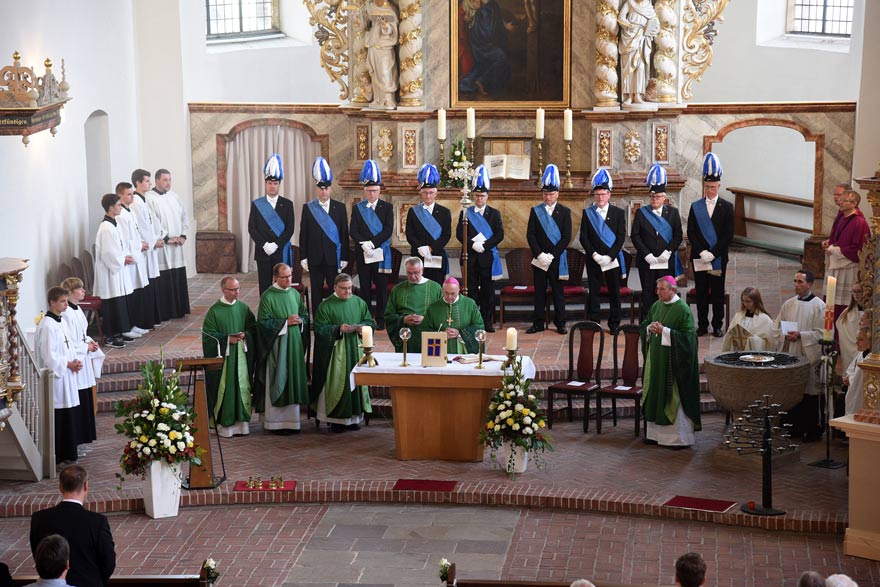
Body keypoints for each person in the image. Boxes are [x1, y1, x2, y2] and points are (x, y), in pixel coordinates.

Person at [30, 465, 116, 587]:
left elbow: (38, 554)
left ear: (60, 487)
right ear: (86, 486)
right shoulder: (97, 522)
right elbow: (108, 563)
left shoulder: (40, 518)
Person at [641, 276, 701, 448]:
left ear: (673, 290)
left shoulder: (682, 309)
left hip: (674, 364)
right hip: (657, 359)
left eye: (662, 289)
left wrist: (665, 331)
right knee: (655, 392)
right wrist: (649, 328)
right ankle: (654, 435)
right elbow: (646, 323)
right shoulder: (656, 305)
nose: (657, 292)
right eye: (657, 288)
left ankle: (677, 439)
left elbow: (688, 338)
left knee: (672, 395)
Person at [312, 274, 375, 433]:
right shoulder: (326, 306)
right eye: (344, 289)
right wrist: (338, 329)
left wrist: (363, 328)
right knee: (338, 383)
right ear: (335, 288)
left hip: (356, 349)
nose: (348, 292)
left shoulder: (359, 302)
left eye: (350, 288)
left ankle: (354, 418)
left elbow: (369, 321)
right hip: (336, 353)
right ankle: (336, 420)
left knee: (356, 382)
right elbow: (319, 329)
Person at [254, 264, 310, 434]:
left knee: (292, 378)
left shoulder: (294, 293)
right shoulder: (268, 296)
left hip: (294, 344)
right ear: (275, 278)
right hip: (277, 346)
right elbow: (263, 324)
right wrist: (285, 322)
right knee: (279, 376)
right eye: (285, 277)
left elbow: (305, 315)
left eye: (290, 276)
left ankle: (293, 422)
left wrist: (300, 321)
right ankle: (275, 423)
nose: (289, 279)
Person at [773, 270, 826, 442]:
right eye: (795, 281)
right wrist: (784, 335)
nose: (796, 285)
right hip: (791, 353)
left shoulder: (819, 306)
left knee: (810, 393)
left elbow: (822, 333)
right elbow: (776, 328)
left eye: (800, 282)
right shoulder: (789, 304)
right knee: (793, 392)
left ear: (810, 284)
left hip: (808, 356)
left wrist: (801, 335)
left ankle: (813, 430)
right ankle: (794, 428)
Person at [202, 276, 256, 438]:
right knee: (225, 389)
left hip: (240, 357)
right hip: (224, 360)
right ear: (223, 290)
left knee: (241, 388)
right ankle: (224, 425)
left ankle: (241, 425)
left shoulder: (243, 308)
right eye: (232, 289)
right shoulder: (214, 311)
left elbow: (253, 328)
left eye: (238, 289)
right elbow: (208, 336)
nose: (236, 292)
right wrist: (226, 339)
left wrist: (245, 335)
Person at [687, 152, 734, 338]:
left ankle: (717, 325)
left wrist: (713, 253)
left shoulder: (727, 207)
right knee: (701, 292)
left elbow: (728, 235)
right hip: (700, 259)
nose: (710, 190)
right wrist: (702, 251)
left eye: (713, 187)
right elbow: (691, 232)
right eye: (707, 187)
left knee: (716, 291)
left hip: (717, 258)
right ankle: (702, 324)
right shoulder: (696, 206)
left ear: (719, 186)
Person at [630, 163, 683, 318]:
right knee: (648, 294)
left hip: (666, 261)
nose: (654, 199)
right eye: (652, 196)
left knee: (666, 294)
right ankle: (647, 323)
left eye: (658, 196)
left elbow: (678, 235)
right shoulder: (641, 213)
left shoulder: (673, 213)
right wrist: (647, 255)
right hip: (647, 262)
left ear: (664, 197)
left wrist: (668, 252)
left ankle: (665, 322)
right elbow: (635, 236)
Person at [35, 287, 81, 465]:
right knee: (60, 417)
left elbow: (67, 347)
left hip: (67, 376)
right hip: (56, 380)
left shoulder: (60, 322)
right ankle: (59, 455)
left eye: (66, 301)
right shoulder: (47, 325)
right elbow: (49, 356)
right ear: (52, 302)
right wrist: (68, 364)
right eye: (62, 301)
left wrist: (74, 360)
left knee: (68, 414)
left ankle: (69, 453)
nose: (66, 304)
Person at [300, 156, 350, 318]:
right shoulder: (308, 208)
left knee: (333, 291)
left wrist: (344, 257)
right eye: (321, 189)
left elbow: (344, 233)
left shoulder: (340, 208)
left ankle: (333, 317)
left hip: (333, 258)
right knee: (316, 291)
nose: (323, 191)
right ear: (317, 189)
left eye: (326, 188)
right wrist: (303, 257)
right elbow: (304, 234)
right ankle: (318, 319)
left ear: (330, 189)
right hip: (315, 258)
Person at [456, 164, 503, 331]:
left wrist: (484, 246)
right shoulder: (466, 212)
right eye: (476, 195)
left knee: (488, 293)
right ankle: (471, 322)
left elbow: (499, 235)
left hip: (487, 257)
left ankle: (487, 322)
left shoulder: (494, 214)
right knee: (471, 292)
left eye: (482, 196)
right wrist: (473, 245)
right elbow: (459, 233)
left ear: (487, 196)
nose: (479, 199)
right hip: (470, 257)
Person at [527, 164, 572, 335]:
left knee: (558, 293)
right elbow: (530, 235)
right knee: (539, 293)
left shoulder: (565, 212)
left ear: (558, 194)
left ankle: (560, 323)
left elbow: (566, 237)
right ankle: (538, 323)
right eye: (545, 193)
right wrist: (540, 254)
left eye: (551, 193)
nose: (548, 196)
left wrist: (552, 255)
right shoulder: (535, 211)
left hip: (556, 259)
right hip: (539, 260)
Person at [581, 168, 627, 334]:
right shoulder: (588, 213)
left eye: (603, 194)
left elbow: (621, 237)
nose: (600, 197)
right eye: (598, 194)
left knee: (614, 292)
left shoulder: (618, 213)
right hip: (594, 259)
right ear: (594, 195)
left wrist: (609, 256)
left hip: (611, 260)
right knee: (594, 291)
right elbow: (583, 238)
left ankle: (614, 323)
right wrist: (594, 254)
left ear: (609, 195)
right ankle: (594, 322)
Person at [350, 160, 394, 330]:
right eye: (369, 191)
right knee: (365, 286)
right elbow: (353, 230)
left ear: (379, 190)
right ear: (364, 191)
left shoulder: (387, 207)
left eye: (375, 191)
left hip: (380, 253)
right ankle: (366, 316)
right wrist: (363, 244)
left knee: (382, 287)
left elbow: (388, 230)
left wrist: (373, 243)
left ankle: (381, 317)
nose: (372, 194)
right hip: (364, 254)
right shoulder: (357, 208)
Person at [60, 278, 104, 447]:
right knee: (79, 398)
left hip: (84, 354)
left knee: (86, 395)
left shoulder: (77, 308)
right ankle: (78, 439)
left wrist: (90, 343)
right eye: (80, 289)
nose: (84, 291)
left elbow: (82, 334)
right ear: (70, 292)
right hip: (77, 358)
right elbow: (69, 340)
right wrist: (85, 347)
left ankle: (85, 437)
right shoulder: (66, 313)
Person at [248, 154, 296, 295]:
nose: (272, 186)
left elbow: (290, 229)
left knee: (281, 286)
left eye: (275, 183)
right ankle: (265, 313)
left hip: (280, 251)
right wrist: (265, 244)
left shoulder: (287, 204)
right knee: (264, 286)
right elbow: (252, 228)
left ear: (279, 184)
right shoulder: (257, 204)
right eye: (270, 183)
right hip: (263, 251)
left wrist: (276, 244)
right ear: (265, 184)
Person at [147, 168, 190, 320]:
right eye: (165, 180)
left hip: (177, 246)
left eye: (170, 180)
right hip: (163, 247)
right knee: (165, 278)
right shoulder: (149, 198)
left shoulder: (174, 196)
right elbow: (152, 222)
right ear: (157, 180)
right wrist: (166, 238)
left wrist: (183, 235)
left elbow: (184, 216)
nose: (168, 183)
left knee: (177, 276)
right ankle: (166, 311)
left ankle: (179, 309)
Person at [92, 193, 134, 348]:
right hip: (109, 272)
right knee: (111, 304)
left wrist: (124, 256)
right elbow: (108, 253)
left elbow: (118, 247)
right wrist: (122, 259)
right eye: (118, 205)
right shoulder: (106, 228)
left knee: (119, 302)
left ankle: (120, 331)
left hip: (116, 269)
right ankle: (110, 336)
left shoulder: (113, 223)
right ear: (110, 208)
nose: (120, 207)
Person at [823, 189, 870, 322]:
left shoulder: (860, 222)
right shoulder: (841, 217)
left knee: (842, 304)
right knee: (831, 302)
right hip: (836, 265)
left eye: (844, 200)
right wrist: (829, 244)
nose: (840, 202)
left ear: (854, 203)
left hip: (847, 269)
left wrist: (834, 250)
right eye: (840, 200)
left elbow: (858, 249)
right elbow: (837, 237)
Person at [116, 181, 154, 336]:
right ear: (120, 195)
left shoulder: (129, 211)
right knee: (130, 294)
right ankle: (129, 326)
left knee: (138, 293)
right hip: (130, 260)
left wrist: (141, 243)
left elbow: (135, 234)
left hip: (136, 256)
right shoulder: (120, 216)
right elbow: (125, 240)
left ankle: (135, 323)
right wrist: (138, 246)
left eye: (132, 193)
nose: (132, 197)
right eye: (129, 194)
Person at [384, 257, 443, 353]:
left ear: (422, 270)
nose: (412, 276)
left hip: (429, 336)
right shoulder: (397, 289)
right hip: (405, 335)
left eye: (416, 272)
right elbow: (389, 316)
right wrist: (403, 319)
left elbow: (442, 313)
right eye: (409, 273)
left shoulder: (435, 288)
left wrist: (425, 319)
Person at [406, 163, 452, 285]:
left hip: (436, 256)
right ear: (421, 193)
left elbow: (446, 235)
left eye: (431, 192)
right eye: (425, 192)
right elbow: (410, 234)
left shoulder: (444, 212)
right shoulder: (413, 211)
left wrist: (431, 248)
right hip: (418, 256)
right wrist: (420, 247)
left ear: (436, 193)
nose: (428, 196)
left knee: (436, 287)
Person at [130, 169, 164, 326]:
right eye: (147, 181)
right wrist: (153, 242)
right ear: (138, 183)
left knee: (152, 281)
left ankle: (153, 317)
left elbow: (151, 223)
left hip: (150, 247)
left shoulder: (144, 200)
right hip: (144, 250)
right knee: (146, 284)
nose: (150, 184)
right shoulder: (136, 202)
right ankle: (146, 320)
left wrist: (158, 237)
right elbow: (142, 227)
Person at [458, 0, 512, 97]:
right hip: (482, 45)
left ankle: (464, 84)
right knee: (502, 58)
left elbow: (496, 21)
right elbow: (488, 32)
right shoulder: (485, 9)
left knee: (481, 66)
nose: (477, 2)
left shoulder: (490, 6)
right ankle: (481, 82)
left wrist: (504, 26)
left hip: (480, 43)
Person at [423, 277, 485, 354]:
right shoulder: (433, 308)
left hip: (464, 353)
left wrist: (460, 333)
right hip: (439, 353)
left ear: (458, 291)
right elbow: (425, 330)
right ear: (442, 291)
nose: (449, 297)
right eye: (446, 293)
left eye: (453, 293)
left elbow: (479, 327)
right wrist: (441, 335)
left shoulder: (469, 304)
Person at [618, 0, 660, 105]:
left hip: (642, 38)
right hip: (630, 36)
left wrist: (653, 28)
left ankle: (638, 95)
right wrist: (629, 26)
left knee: (640, 67)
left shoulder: (649, 5)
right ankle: (629, 96)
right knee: (629, 68)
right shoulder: (629, 3)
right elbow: (621, 18)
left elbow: (656, 22)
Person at [364, 0, 399, 110]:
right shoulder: (370, 5)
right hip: (374, 44)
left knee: (385, 73)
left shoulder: (391, 7)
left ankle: (388, 99)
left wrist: (385, 26)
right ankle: (378, 99)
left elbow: (393, 29)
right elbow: (363, 24)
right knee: (375, 72)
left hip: (385, 45)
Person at [721, 287, 774, 352]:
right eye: (743, 301)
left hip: (754, 357)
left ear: (756, 301)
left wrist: (750, 340)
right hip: (738, 352)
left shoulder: (765, 319)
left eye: (748, 301)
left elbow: (769, 342)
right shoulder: (738, 315)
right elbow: (730, 332)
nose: (745, 304)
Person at [836, 282, 864, 372]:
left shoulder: (874, 311)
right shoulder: (847, 312)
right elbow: (840, 326)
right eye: (854, 292)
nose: (856, 295)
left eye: (859, 291)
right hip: (850, 350)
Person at [843, 327, 869, 416]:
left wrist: (850, 378)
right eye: (857, 339)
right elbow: (852, 369)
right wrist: (849, 376)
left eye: (861, 340)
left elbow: (860, 381)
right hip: (852, 394)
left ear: (870, 341)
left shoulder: (871, 359)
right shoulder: (861, 353)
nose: (856, 342)